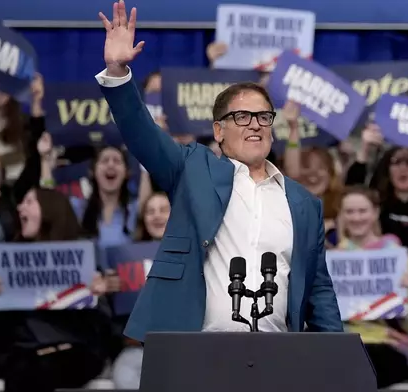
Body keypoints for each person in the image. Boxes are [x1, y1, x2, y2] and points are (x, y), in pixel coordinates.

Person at [94, 0, 342, 342]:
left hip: (278, 354)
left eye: (264, 117)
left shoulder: (303, 203)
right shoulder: (193, 168)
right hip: (196, 349)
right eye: (242, 116)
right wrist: (118, 74)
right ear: (219, 131)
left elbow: (319, 291)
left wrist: (335, 363)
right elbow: (141, 133)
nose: (255, 125)